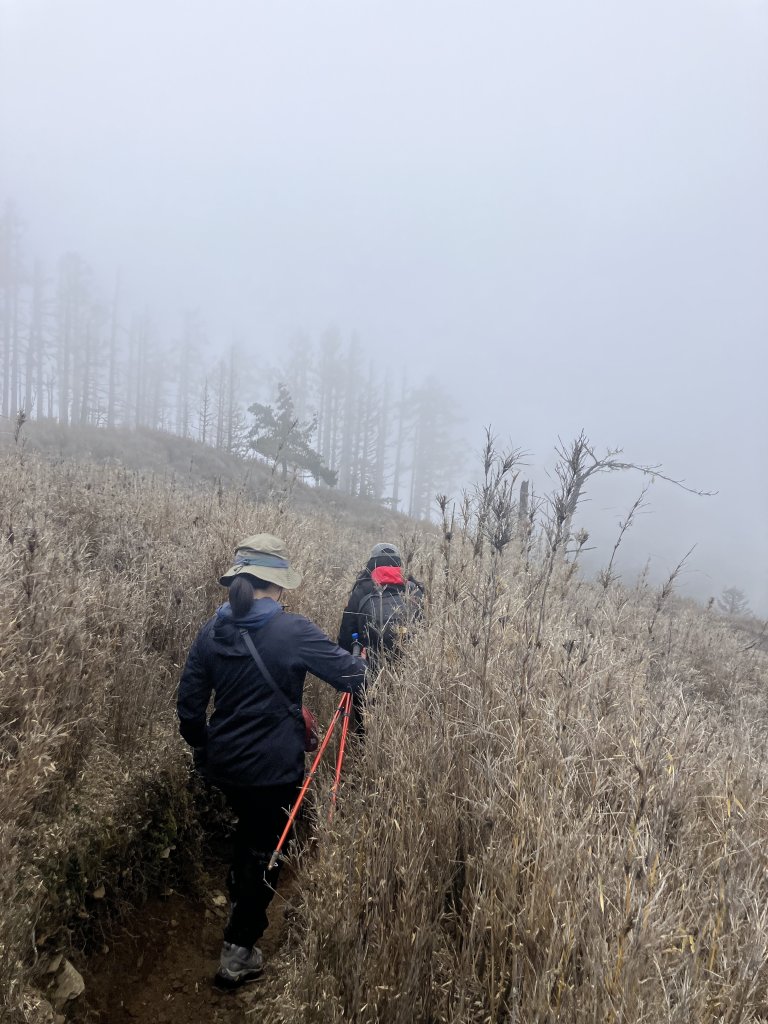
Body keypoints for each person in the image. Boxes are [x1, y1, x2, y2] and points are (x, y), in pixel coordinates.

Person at [177, 534, 366, 988]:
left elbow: (188, 708)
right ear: (277, 585)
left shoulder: (211, 630)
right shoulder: (292, 630)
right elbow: (351, 676)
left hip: (224, 767)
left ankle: (240, 886)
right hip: (275, 770)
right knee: (269, 849)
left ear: (240, 581)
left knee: (250, 832)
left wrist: (206, 749)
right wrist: (362, 660)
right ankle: (239, 952)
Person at [337, 542, 424, 731]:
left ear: (372, 563)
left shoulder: (362, 589)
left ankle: (363, 749)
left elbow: (346, 632)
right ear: (400, 563)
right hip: (409, 669)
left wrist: (346, 668)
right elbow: (425, 629)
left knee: (366, 717)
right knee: (402, 717)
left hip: (368, 666)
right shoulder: (414, 589)